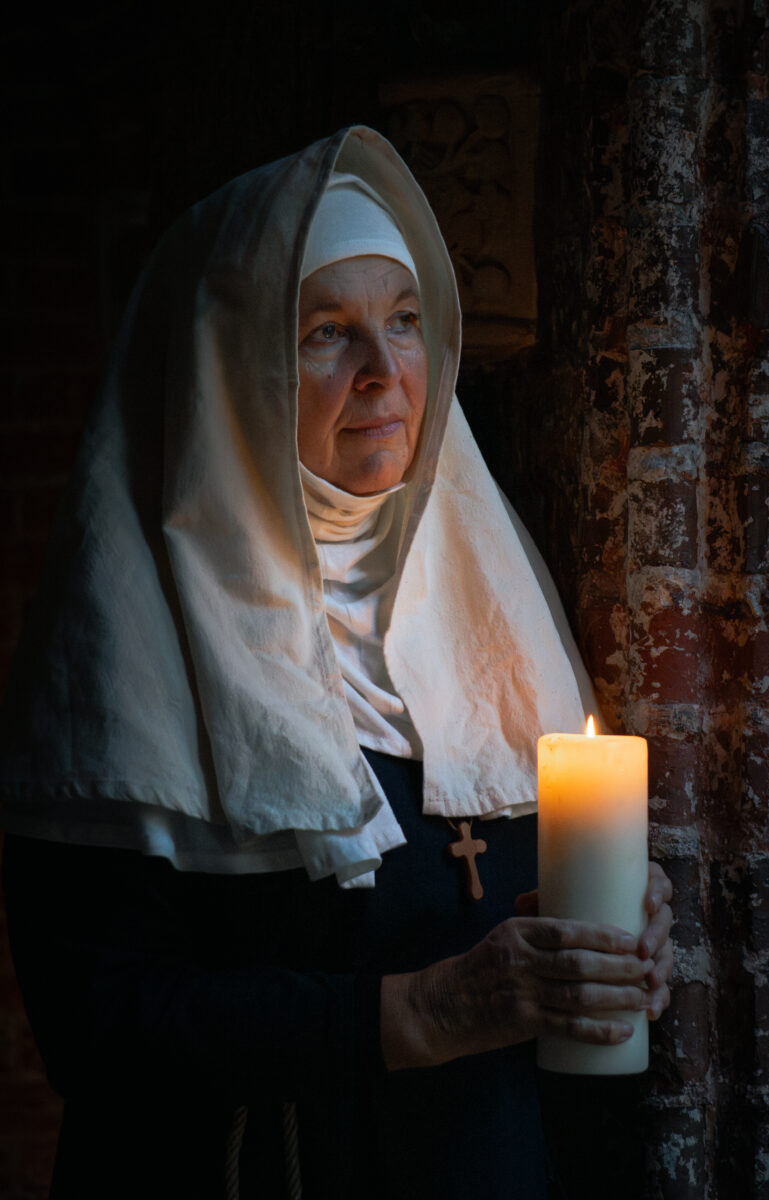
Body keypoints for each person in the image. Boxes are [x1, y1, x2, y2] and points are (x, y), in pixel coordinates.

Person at [0, 126, 672, 1199]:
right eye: (325, 332)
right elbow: (100, 1030)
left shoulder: (486, 596)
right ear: (231, 370)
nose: (383, 371)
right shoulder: (120, 650)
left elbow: (511, 913)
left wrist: (600, 935)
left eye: (404, 321)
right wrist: (424, 1010)